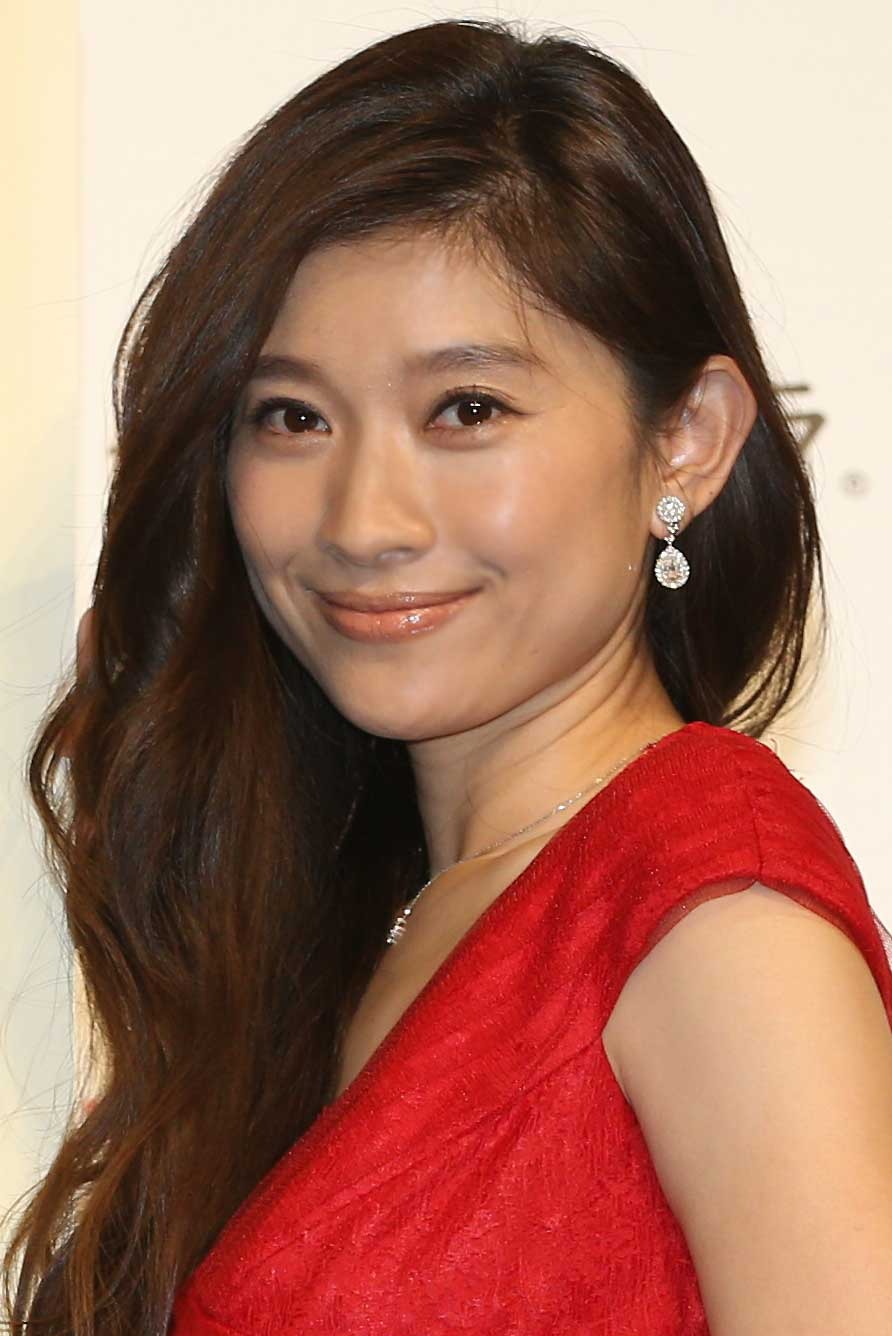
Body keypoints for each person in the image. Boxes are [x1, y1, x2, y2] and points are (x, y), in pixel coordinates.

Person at [4, 15, 892, 1336]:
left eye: (467, 411)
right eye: (292, 417)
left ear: (687, 442)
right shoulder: (366, 904)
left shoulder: (711, 905)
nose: (366, 520)